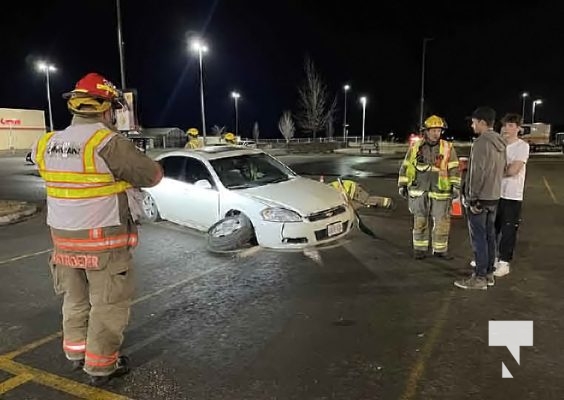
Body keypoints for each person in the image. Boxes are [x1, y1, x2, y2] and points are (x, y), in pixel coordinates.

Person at [31, 72, 163, 385]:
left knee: (75, 300)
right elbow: (152, 175)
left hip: (62, 243)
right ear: (105, 109)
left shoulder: (47, 143)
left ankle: (76, 353)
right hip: (102, 243)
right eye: (113, 110)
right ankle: (102, 366)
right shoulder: (107, 143)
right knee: (108, 305)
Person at [455, 106, 506, 290]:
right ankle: (489, 273)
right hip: (493, 196)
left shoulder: (481, 143)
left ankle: (480, 277)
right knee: (490, 236)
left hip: (480, 199)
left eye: (474, 122)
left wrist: (472, 198)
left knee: (478, 239)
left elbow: (479, 173)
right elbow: (500, 169)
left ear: (483, 123)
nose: (472, 125)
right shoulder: (500, 141)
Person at [398, 115, 461, 259]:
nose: (436, 133)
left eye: (438, 130)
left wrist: (456, 186)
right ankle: (419, 250)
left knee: (442, 223)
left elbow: (454, 168)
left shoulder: (447, 147)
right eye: (433, 130)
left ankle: (440, 250)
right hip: (419, 191)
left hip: (441, 192)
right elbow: (406, 166)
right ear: (426, 131)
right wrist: (402, 184)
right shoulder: (415, 147)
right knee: (420, 221)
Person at [494, 113, 529, 277]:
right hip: (494, 193)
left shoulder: (522, 146)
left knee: (508, 230)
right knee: (492, 228)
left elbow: (513, 170)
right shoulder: (498, 145)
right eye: (505, 125)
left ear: (518, 129)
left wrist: (496, 170)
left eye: (511, 126)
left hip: (512, 195)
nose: (506, 129)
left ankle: (504, 262)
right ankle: (491, 258)